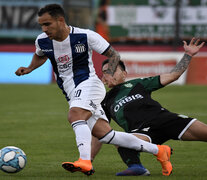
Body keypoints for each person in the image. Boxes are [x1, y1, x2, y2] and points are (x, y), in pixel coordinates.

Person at [15, 4, 173, 176]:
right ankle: (159, 151)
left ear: (60, 20)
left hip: (89, 84)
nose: (44, 29)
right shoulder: (42, 40)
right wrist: (30, 68)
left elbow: (114, 55)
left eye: (47, 24)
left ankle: (85, 161)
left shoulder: (85, 35)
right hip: (70, 92)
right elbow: (40, 54)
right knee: (105, 135)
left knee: (75, 115)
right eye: (42, 25)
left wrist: (111, 74)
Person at [91, 37, 206, 176]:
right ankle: (137, 168)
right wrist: (88, 160)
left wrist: (188, 55)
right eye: (105, 72)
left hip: (165, 119)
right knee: (119, 140)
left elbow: (173, 75)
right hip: (142, 132)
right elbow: (99, 133)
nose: (108, 74)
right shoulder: (104, 101)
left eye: (112, 70)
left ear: (124, 74)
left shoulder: (138, 84)